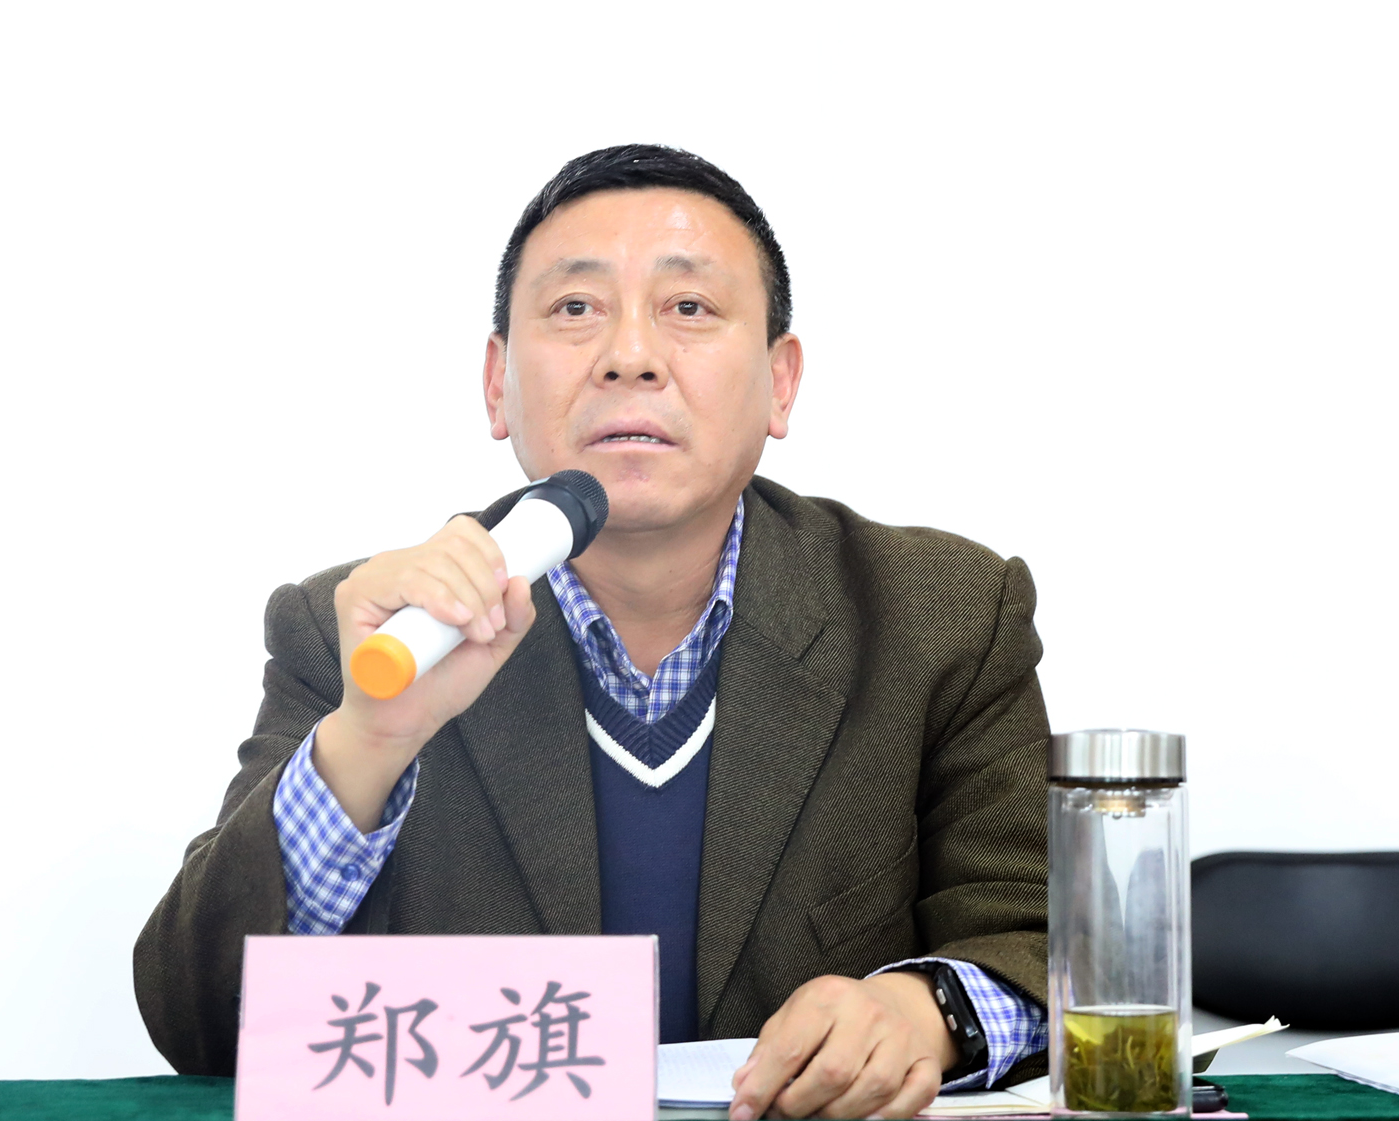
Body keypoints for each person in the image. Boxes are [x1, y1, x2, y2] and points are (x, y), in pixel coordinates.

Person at [135, 145, 1051, 1120]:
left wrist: (927, 1009)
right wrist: (369, 739)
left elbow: (1050, 942)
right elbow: (202, 1023)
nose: (630, 354)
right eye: (575, 308)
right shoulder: (370, 631)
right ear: (497, 383)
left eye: (688, 307)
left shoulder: (939, 616)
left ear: (781, 381)